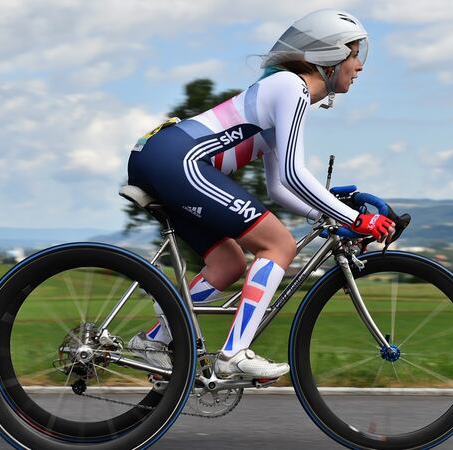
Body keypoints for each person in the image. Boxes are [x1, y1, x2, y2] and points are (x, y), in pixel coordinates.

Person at [126, 9, 395, 379]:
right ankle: (234, 353)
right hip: (178, 160)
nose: (359, 65)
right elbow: (294, 174)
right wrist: (355, 218)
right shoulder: (291, 87)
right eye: (352, 55)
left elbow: (279, 187)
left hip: (163, 158)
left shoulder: (282, 91)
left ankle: (154, 340)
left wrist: (328, 217)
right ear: (329, 57)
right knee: (279, 245)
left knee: (228, 265)